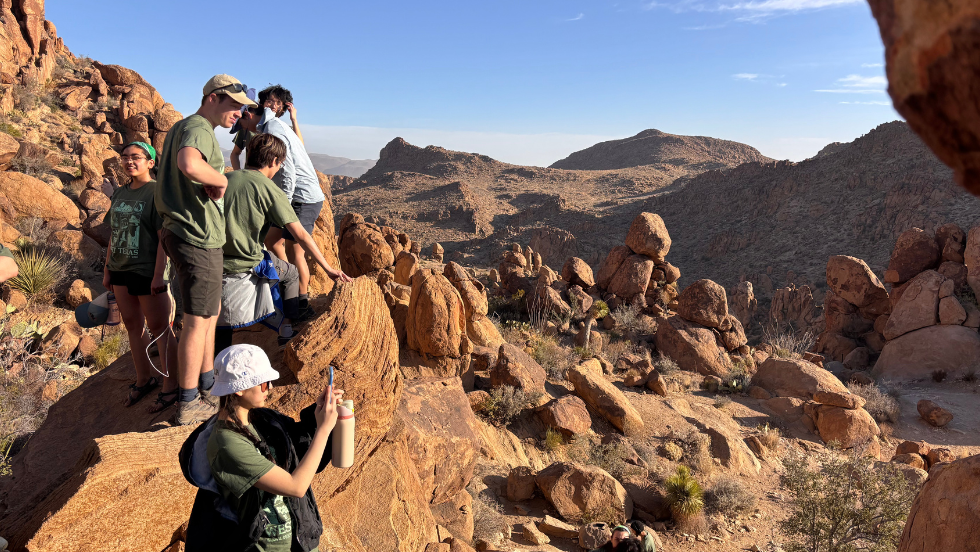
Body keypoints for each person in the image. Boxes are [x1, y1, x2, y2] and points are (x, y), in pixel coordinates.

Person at [155, 74, 256, 426]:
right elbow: (188, 164)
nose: (239, 113)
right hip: (195, 235)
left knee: (208, 316)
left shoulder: (185, 127)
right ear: (213, 98)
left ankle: (207, 386)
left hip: (190, 233)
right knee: (197, 322)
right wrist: (222, 179)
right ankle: (188, 403)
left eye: (243, 108)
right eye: (234, 105)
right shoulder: (198, 127)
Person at [178, 344, 343, 552]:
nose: (271, 388)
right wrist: (324, 429)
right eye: (264, 383)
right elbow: (296, 487)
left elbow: (298, 450)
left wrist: (317, 417)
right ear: (239, 388)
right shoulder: (227, 444)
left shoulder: (259, 420)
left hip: (295, 543)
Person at [216, 133, 350, 351]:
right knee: (290, 272)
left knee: (219, 329)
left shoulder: (225, 180)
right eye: (280, 165)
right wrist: (328, 268)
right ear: (273, 161)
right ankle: (287, 329)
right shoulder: (270, 190)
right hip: (246, 262)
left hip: (214, 260)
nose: (278, 170)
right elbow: (301, 235)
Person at [100, 141, 179, 411]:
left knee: (160, 330)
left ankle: (171, 386)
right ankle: (144, 379)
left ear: (150, 162)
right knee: (133, 325)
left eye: (136, 157)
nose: (129, 162)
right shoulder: (120, 193)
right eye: (124, 157)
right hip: (121, 269)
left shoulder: (156, 192)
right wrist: (108, 269)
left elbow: (163, 239)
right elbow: (114, 232)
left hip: (147, 270)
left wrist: (159, 275)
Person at [236, 104, 325, 319]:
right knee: (272, 241)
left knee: (297, 252)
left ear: (248, 115)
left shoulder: (272, 129)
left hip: (302, 198)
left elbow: (288, 171)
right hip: (293, 197)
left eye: (241, 123)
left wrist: (280, 204)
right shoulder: (270, 126)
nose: (243, 129)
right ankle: (288, 283)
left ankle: (302, 304)